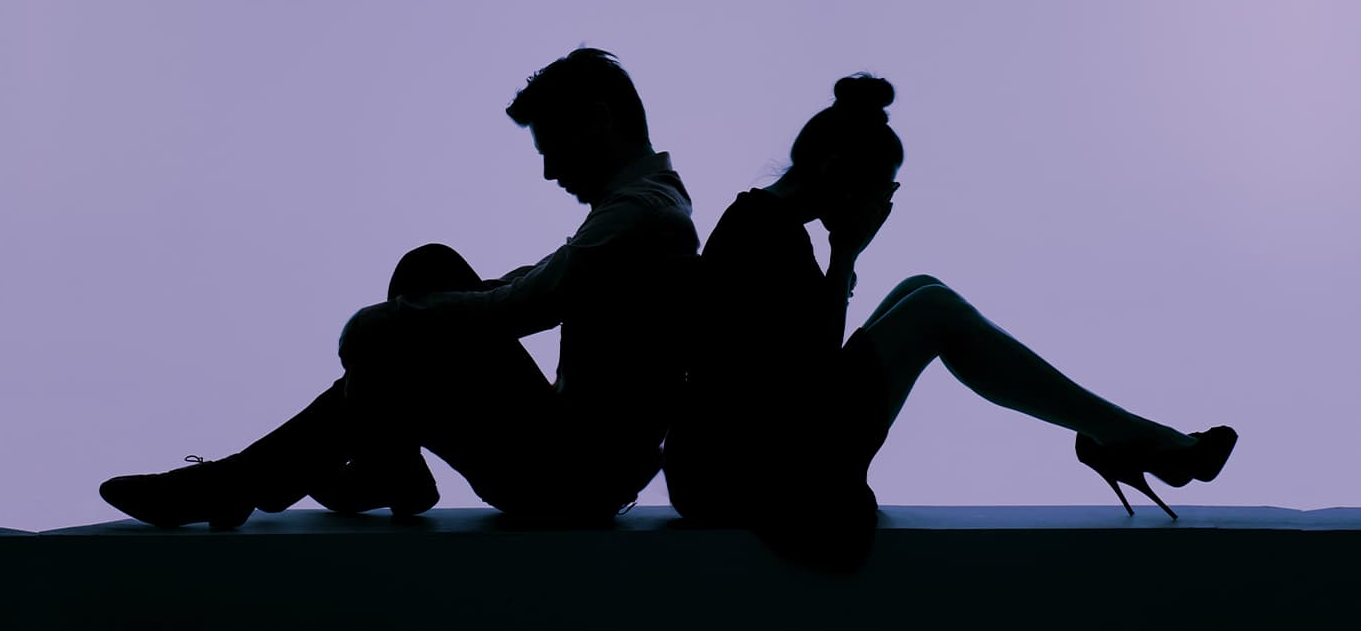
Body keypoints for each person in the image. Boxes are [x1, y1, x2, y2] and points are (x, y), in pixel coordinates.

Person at [100, 48, 699, 528]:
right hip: (575, 465)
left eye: (555, 148)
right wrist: (411, 314)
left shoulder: (641, 216)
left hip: (570, 480)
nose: (549, 172)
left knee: (407, 323)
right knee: (429, 276)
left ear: (599, 120)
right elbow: (530, 282)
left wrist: (383, 322)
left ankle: (263, 480)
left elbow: (520, 307)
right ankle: (345, 470)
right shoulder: (644, 208)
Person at [662, 74, 1238, 570]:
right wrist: (846, 255)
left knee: (921, 289)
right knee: (932, 309)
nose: (884, 206)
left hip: (746, 455)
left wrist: (842, 258)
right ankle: (1140, 441)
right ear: (836, 169)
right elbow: (809, 372)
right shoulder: (763, 231)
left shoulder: (768, 223)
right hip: (743, 474)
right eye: (882, 190)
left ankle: (1129, 437)